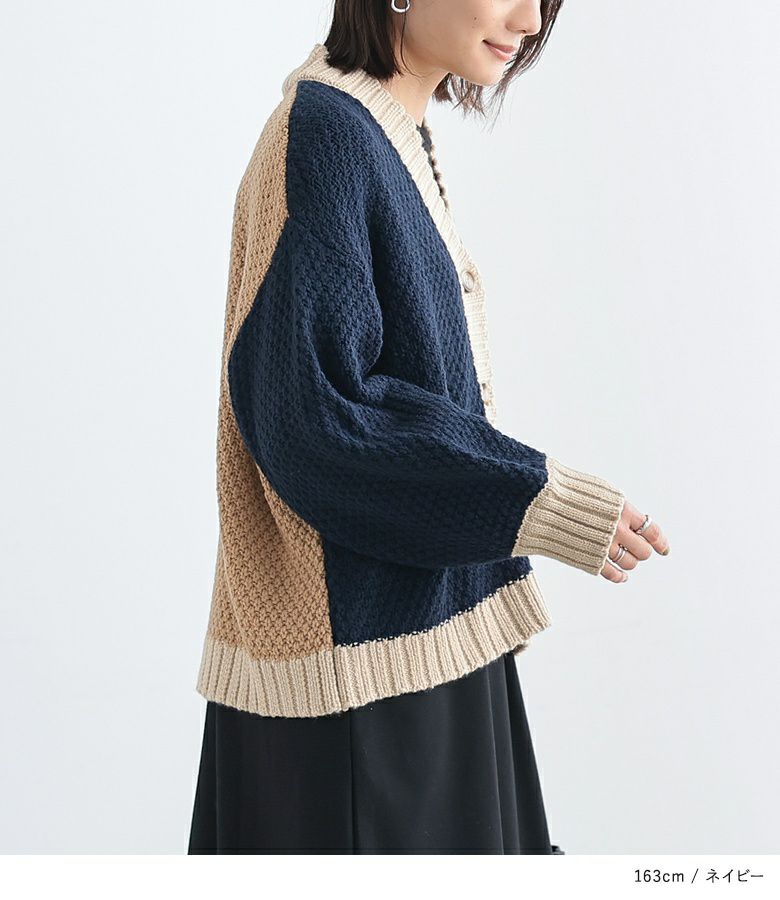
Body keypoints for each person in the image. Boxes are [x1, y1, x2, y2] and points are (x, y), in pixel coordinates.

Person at [188, 0, 670, 855]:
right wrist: (537, 498)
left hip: (422, 638)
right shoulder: (326, 136)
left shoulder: (385, 128)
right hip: (359, 687)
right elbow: (316, 421)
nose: (529, 20)